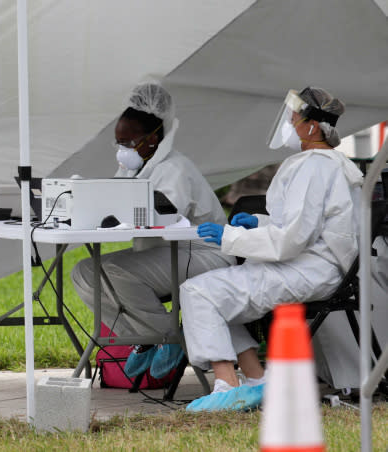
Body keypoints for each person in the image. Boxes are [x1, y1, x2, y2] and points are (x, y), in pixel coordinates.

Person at [183, 86, 361, 411]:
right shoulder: (325, 164)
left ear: (311, 127)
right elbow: (301, 228)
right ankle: (255, 379)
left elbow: (292, 239)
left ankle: (227, 387)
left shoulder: (314, 167)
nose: (288, 125)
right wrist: (259, 224)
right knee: (219, 293)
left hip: (306, 271)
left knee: (198, 292)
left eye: (293, 119)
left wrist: (229, 237)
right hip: (313, 266)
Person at [71, 83, 235, 381]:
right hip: (165, 255)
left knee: (117, 272)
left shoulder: (175, 169)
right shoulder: (135, 168)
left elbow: (161, 218)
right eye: (118, 142)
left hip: (204, 253)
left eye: (129, 142)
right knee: (83, 272)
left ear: (153, 138)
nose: (122, 150)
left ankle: (170, 338)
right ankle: (144, 337)